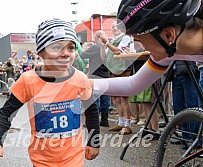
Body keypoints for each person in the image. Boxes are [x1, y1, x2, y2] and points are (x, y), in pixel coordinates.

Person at [0, 18, 100, 167]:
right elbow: (6, 113)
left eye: (71, 48)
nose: (65, 54)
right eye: (57, 47)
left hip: (73, 159)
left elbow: (91, 111)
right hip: (42, 161)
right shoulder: (28, 80)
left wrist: (94, 142)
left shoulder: (80, 79)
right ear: (41, 52)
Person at [91, 0, 202, 138]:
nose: (142, 48)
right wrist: (85, 84)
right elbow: (133, 85)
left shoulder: (166, 45)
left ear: (168, 35)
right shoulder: (168, 49)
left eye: (139, 40)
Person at [99, 21, 133, 135]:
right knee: (116, 99)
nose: (114, 28)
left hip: (123, 70)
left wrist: (107, 43)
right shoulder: (112, 40)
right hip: (113, 70)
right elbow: (104, 58)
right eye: (112, 27)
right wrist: (103, 46)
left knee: (124, 98)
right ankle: (121, 122)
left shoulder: (126, 37)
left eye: (116, 26)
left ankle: (128, 125)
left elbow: (118, 51)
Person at [81, 30, 111, 127]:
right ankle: (105, 120)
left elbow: (82, 55)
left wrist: (85, 47)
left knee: (95, 99)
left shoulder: (95, 47)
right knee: (105, 99)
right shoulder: (107, 47)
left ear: (96, 38)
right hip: (106, 75)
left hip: (95, 75)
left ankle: (95, 120)